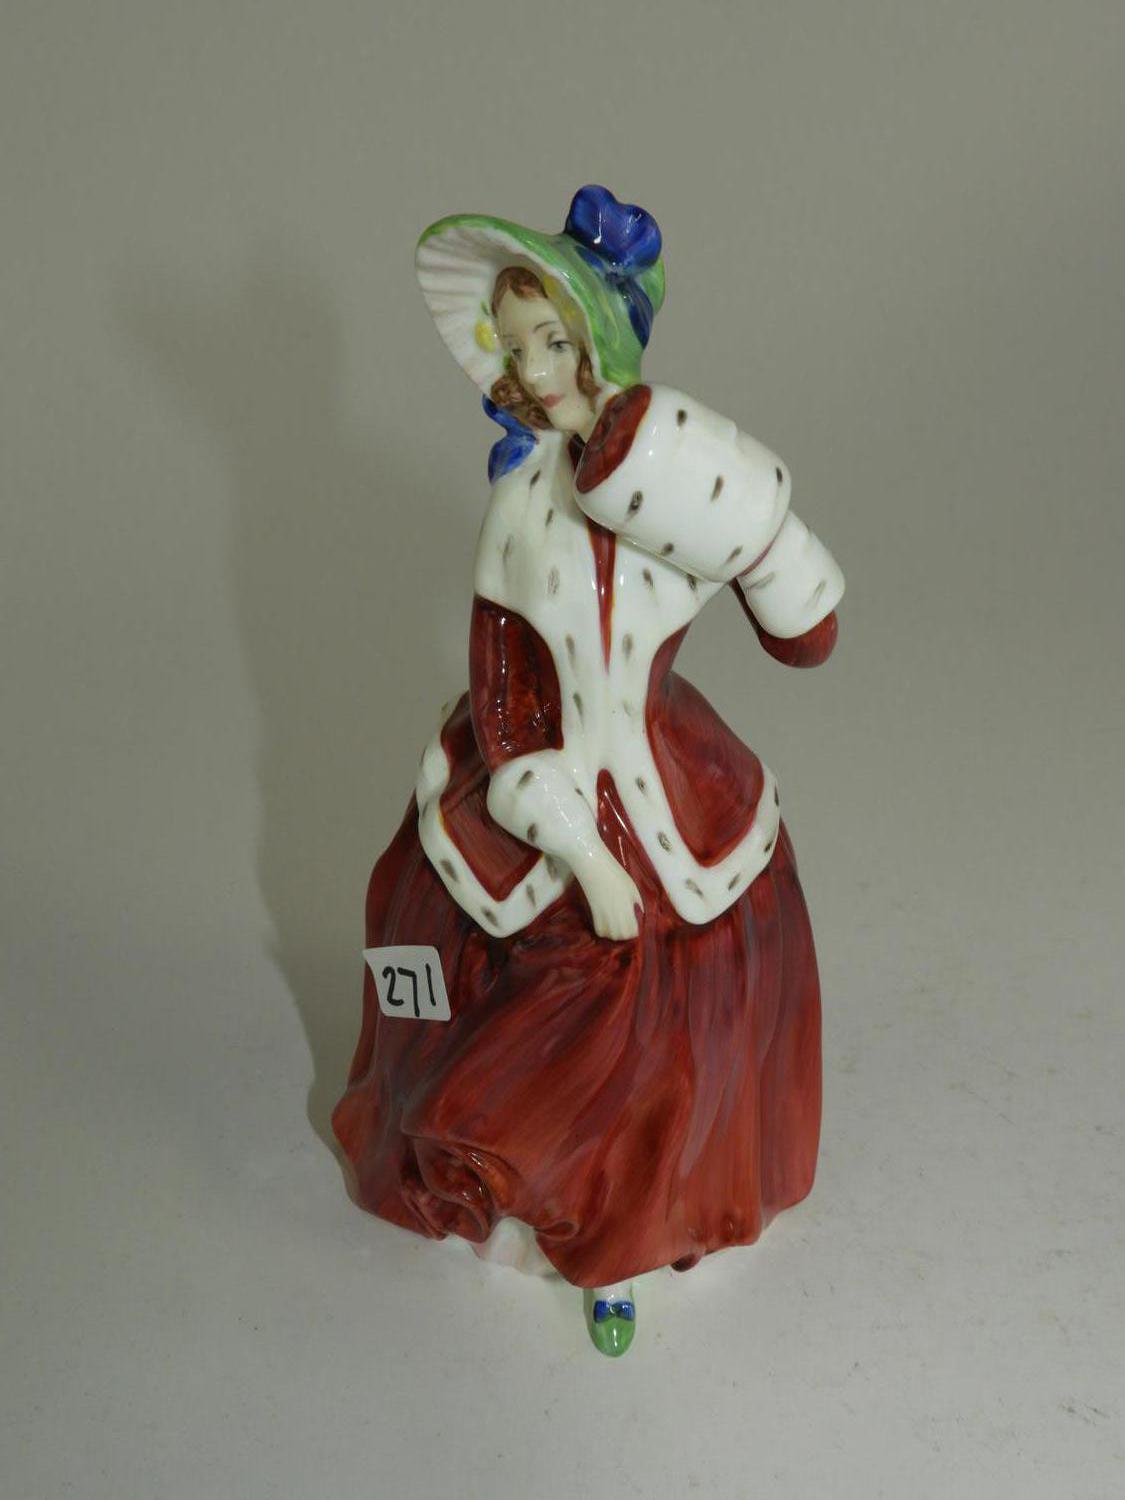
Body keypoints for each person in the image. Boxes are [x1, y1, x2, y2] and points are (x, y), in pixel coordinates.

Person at [332, 185, 844, 1357]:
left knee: (692, 981)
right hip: (550, 796)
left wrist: (764, 533)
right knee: (577, 977)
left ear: (601, 343)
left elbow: (807, 627)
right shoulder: (518, 513)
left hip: (669, 777)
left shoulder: (673, 480)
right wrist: (582, 853)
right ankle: (557, 1211)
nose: (535, 369)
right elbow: (509, 713)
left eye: (555, 341)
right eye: (518, 347)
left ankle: (635, 1230)